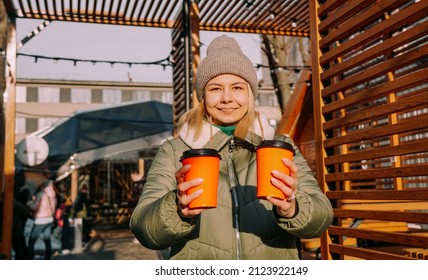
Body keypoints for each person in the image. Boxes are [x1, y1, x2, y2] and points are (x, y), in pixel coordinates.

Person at [130, 35, 333, 260]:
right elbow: (143, 228)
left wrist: (293, 208)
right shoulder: (175, 151)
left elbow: (322, 218)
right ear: (203, 96)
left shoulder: (281, 147)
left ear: (250, 93)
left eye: (237, 87)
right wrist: (176, 209)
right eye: (215, 89)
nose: (227, 98)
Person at [27, 179, 57, 260]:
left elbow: (34, 207)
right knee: (47, 240)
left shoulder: (41, 194)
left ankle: (29, 258)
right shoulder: (53, 193)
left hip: (40, 220)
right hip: (49, 219)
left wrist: (29, 203)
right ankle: (48, 258)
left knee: (31, 241)